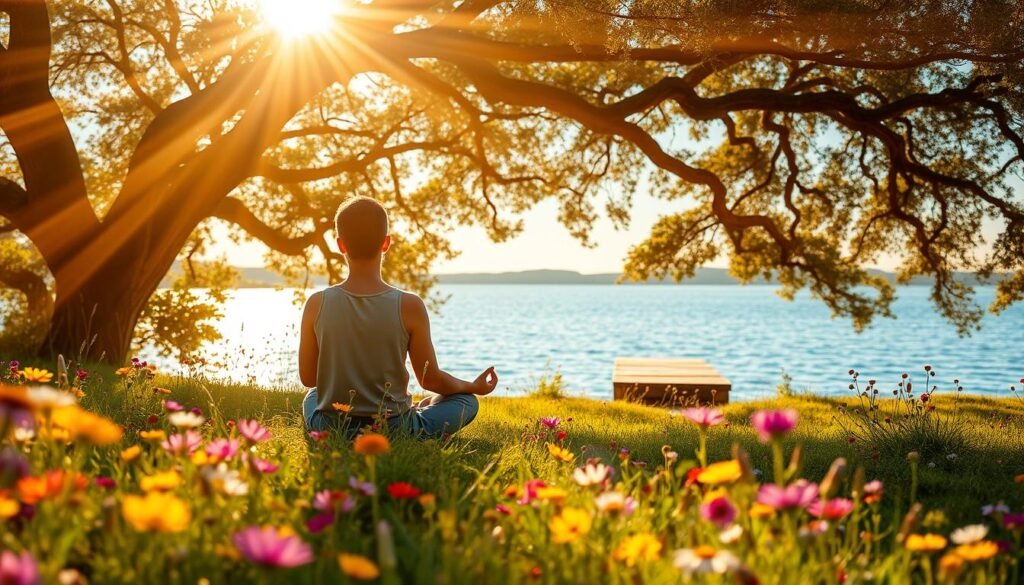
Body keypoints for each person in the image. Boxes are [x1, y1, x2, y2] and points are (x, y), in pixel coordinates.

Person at [298, 196, 498, 438]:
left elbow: (309, 378)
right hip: (393, 429)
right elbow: (430, 379)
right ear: (386, 243)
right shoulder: (409, 305)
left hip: (331, 427)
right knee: (467, 402)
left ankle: (411, 411)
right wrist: (472, 386)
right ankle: (417, 412)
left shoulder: (316, 303)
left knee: (312, 396)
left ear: (341, 245)